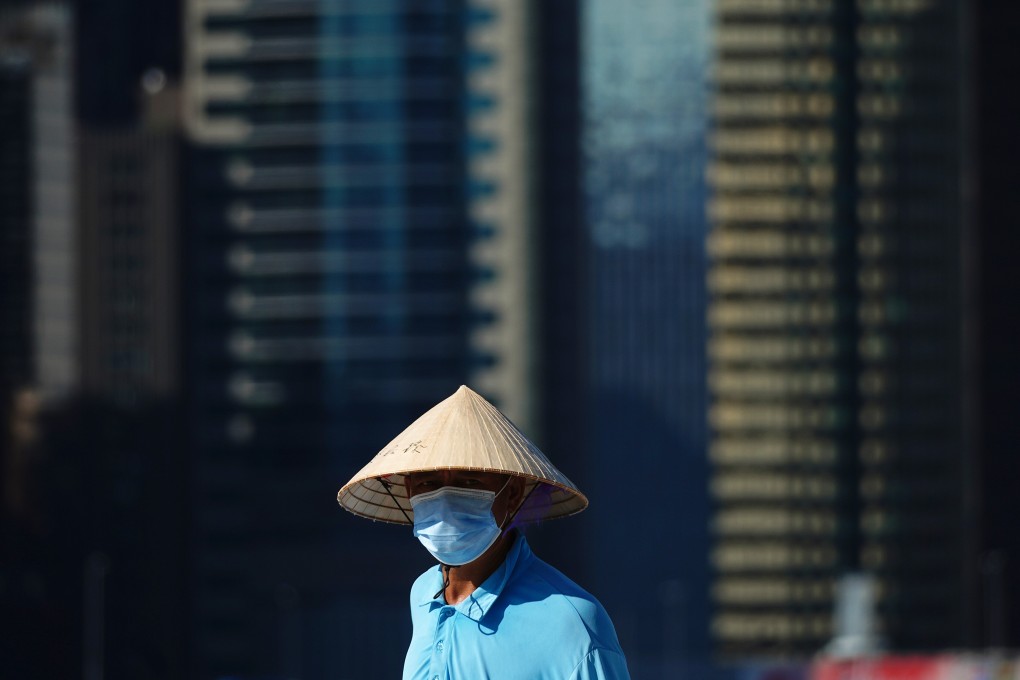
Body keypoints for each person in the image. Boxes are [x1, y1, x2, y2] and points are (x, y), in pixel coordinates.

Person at [338, 385, 630, 679]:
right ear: (408, 492)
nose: (446, 500)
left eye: (468, 482)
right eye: (428, 484)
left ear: (512, 494)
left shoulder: (573, 626)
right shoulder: (424, 594)